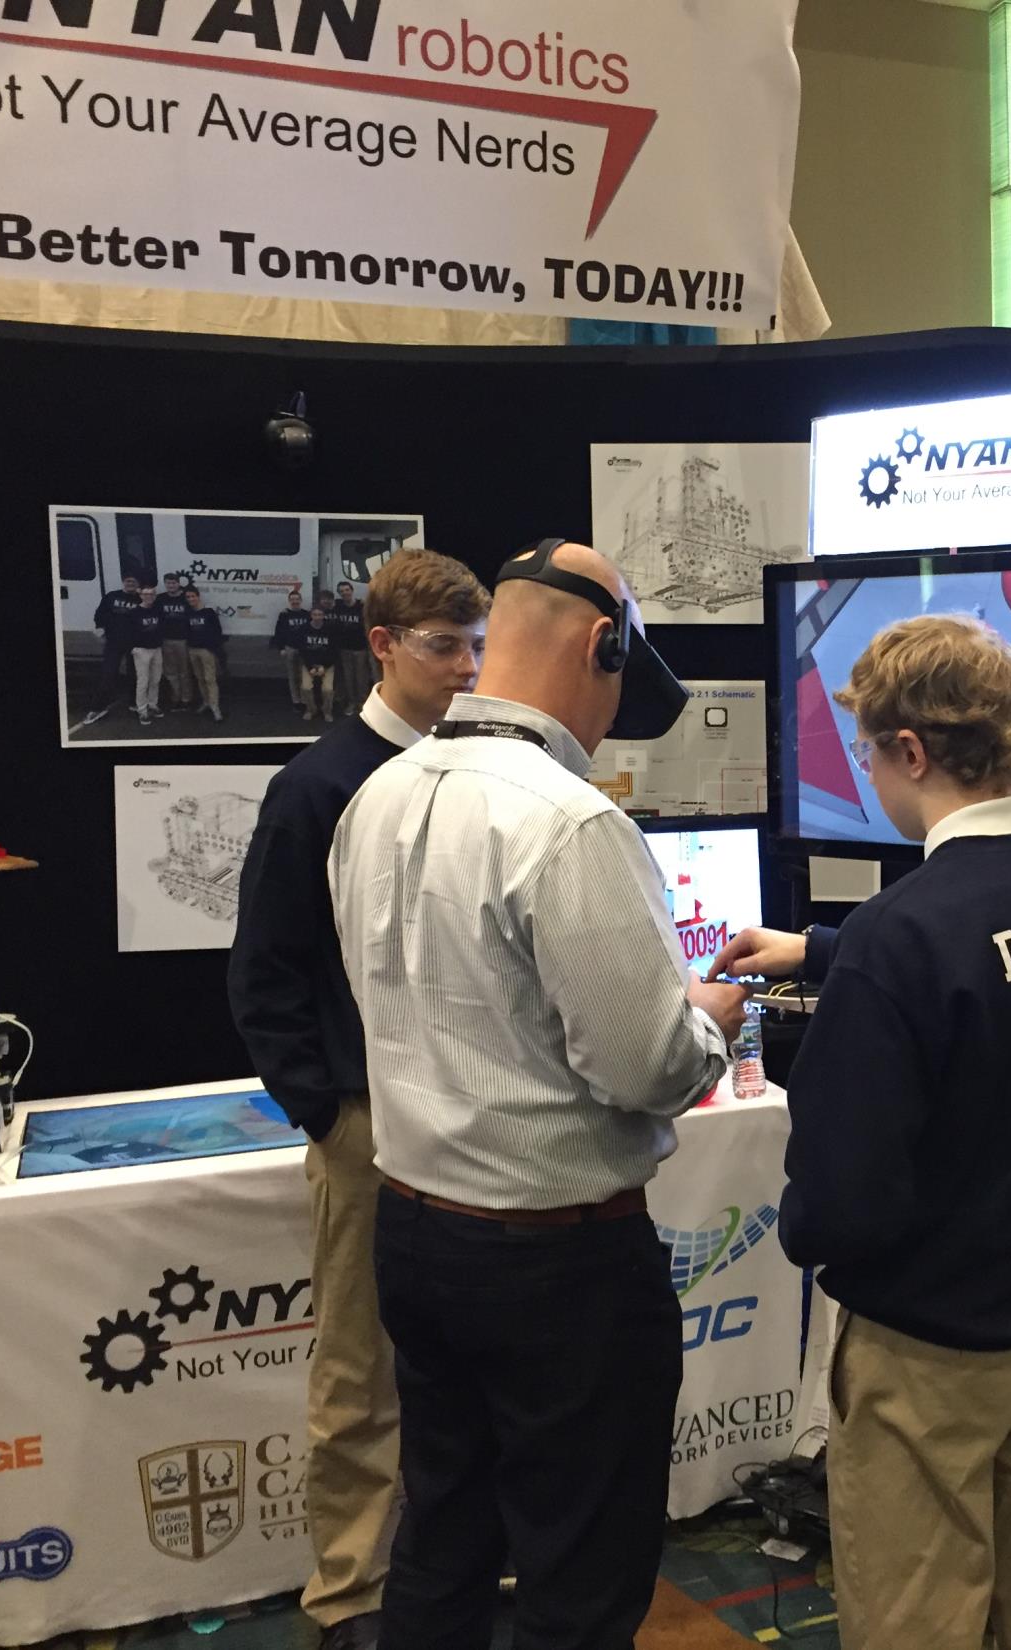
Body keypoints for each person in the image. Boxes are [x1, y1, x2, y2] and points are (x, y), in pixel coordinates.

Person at [330, 538, 742, 1650]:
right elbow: (645, 1068)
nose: (611, 722)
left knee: (443, 1537)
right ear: (603, 648)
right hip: (557, 1264)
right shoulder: (570, 822)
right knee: (581, 1575)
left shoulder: (376, 795)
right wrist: (711, 1018)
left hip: (415, 1234)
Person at [708, 615, 1011, 1650]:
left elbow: (840, 1199)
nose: (864, 772)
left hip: (933, 1343)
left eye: (865, 753)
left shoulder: (903, 935)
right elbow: (990, 969)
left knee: (915, 1614)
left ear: (909, 750)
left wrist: (802, 1230)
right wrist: (824, 949)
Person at [227, 548, 490, 1650]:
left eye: (478, 646)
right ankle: (349, 1594)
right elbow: (264, 972)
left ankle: (458, 1568)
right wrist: (330, 1116)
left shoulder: (483, 776)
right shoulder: (318, 787)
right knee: (359, 1373)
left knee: (471, 1363)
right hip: (370, 1125)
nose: (467, 668)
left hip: (478, 1120)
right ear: (381, 646)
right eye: (443, 647)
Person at [86, 574, 143, 724]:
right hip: (113, 642)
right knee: (108, 673)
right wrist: (100, 630)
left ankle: (134, 703)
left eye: (133, 581)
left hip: (134, 643)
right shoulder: (112, 596)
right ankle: (98, 707)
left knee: (134, 674)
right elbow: (100, 614)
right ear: (123, 582)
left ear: (138, 584)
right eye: (128, 581)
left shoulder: (141, 599)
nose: (130, 583)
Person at [182, 588, 227, 723]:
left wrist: (212, 647)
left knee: (210, 679)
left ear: (198, 596)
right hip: (193, 650)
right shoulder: (188, 614)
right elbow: (186, 631)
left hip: (206, 651)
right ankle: (206, 702)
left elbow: (217, 631)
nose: (191, 599)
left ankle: (215, 707)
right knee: (200, 678)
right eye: (188, 597)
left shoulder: (209, 612)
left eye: (193, 596)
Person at [331, 579, 372, 716]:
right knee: (348, 679)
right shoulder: (338, 606)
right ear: (339, 594)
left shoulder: (362, 606)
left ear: (352, 591)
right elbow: (324, 606)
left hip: (360, 649)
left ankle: (363, 704)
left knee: (361, 679)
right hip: (344, 649)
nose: (345, 593)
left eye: (347, 590)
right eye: (342, 591)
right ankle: (351, 703)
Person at [156, 572, 194, 709]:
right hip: (166, 640)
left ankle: (186, 698)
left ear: (178, 584)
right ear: (165, 584)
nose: (171, 586)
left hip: (183, 640)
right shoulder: (160, 598)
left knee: (184, 671)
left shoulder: (186, 598)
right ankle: (175, 697)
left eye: (173, 583)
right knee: (170, 671)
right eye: (168, 583)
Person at [129, 593, 169, 726]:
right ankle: (142, 710)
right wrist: (132, 648)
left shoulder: (158, 610)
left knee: (155, 679)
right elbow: (127, 631)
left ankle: (152, 704)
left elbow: (162, 627)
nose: (149, 596)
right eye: (146, 594)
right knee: (143, 681)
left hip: (156, 649)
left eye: (151, 594)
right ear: (141, 596)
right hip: (141, 650)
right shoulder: (134, 612)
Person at [275, 587, 314, 715]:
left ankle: (304, 700)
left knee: (303, 676)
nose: (295, 601)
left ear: (301, 600)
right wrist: (281, 648)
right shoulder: (284, 615)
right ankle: (296, 701)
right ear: (289, 601)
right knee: (292, 676)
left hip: (304, 649)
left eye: (297, 599)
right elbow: (279, 633)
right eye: (292, 599)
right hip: (290, 648)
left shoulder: (307, 614)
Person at [298, 604, 340, 720]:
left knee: (328, 689)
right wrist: (310, 667)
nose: (317, 617)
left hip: (327, 665)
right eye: (315, 614)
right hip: (309, 664)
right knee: (306, 687)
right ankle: (311, 710)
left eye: (320, 615)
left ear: (323, 616)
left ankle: (327, 711)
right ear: (311, 615)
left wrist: (324, 666)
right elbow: (302, 651)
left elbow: (334, 651)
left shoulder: (330, 629)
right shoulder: (304, 629)